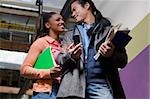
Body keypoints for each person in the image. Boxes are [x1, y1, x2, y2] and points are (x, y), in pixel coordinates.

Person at [56, 0, 128, 99]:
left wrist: (111, 53)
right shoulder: (70, 35)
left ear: (86, 6)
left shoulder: (108, 31)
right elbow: (60, 59)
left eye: (74, 10)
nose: (72, 14)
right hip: (74, 88)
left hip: (100, 84)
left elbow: (123, 61)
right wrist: (71, 56)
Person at [20, 12, 65, 99]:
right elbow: (24, 69)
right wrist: (48, 72)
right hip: (45, 92)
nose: (62, 22)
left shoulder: (64, 45)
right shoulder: (41, 42)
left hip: (62, 91)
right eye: (58, 20)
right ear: (48, 25)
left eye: (62, 19)